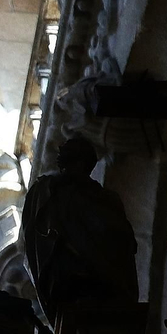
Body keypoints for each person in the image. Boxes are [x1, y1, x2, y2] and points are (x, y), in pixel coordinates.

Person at [21, 137, 139, 320]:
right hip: (67, 274)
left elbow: (123, 239)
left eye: (69, 151)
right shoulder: (48, 190)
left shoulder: (104, 198)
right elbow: (36, 231)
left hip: (98, 278)